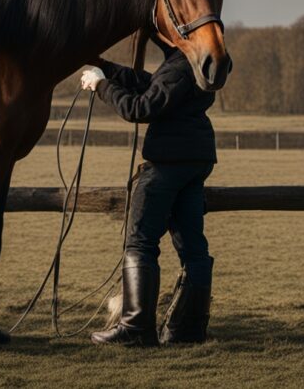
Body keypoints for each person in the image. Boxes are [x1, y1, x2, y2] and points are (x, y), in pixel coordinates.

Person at [80, 42, 218, 347]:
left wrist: (101, 85)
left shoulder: (181, 65)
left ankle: (136, 328)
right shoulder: (194, 60)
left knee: (140, 241)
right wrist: (105, 67)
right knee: (193, 248)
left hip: (168, 162)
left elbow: (139, 107)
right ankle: (188, 331)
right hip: (195, 160)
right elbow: (149, 84)